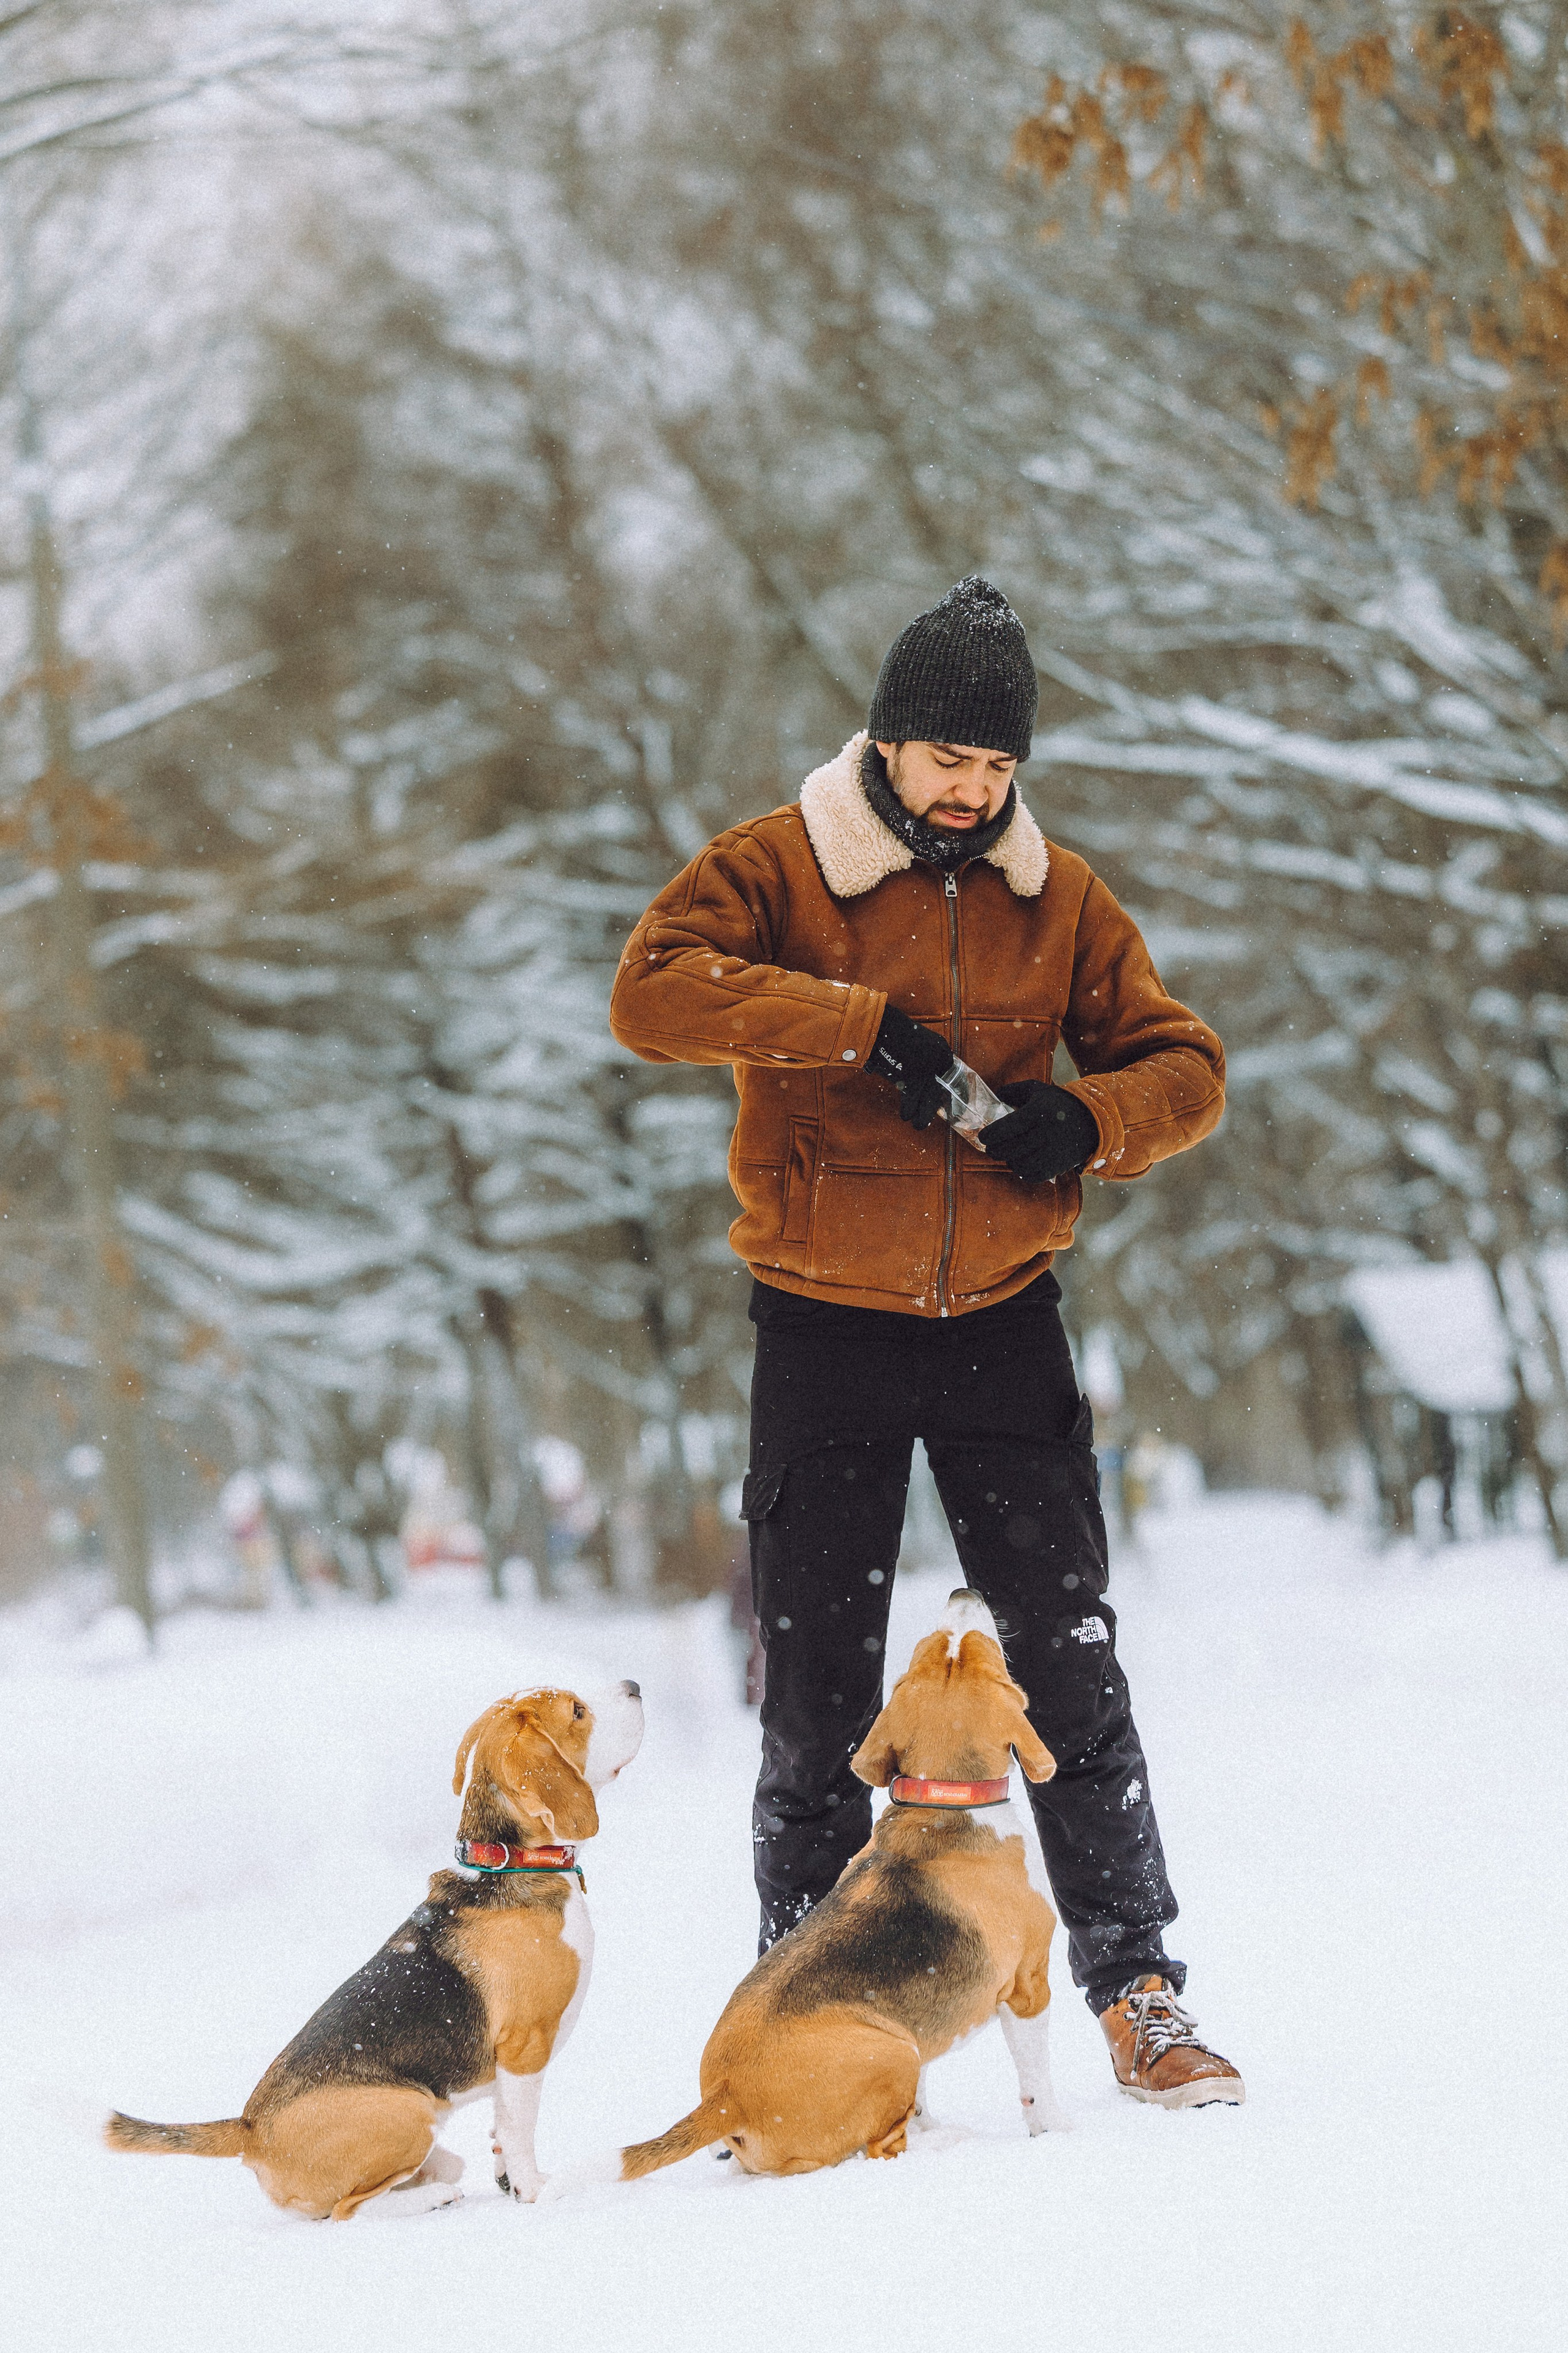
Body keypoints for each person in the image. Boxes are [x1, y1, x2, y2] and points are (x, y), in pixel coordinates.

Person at [609, 577, 1242, 2107]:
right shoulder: (777, 863)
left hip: (1000, 1331)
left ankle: (1138, 1990)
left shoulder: (1059, 898)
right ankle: (800, 1999)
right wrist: (853, 1024)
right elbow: (650, 993)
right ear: (887, 741)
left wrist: (1083, 1118)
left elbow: (1185, 1066)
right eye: (948, 757)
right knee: (817, 1692)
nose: (971, 789)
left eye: (996, 765)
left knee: (1066, 1673)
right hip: (821, 1326)